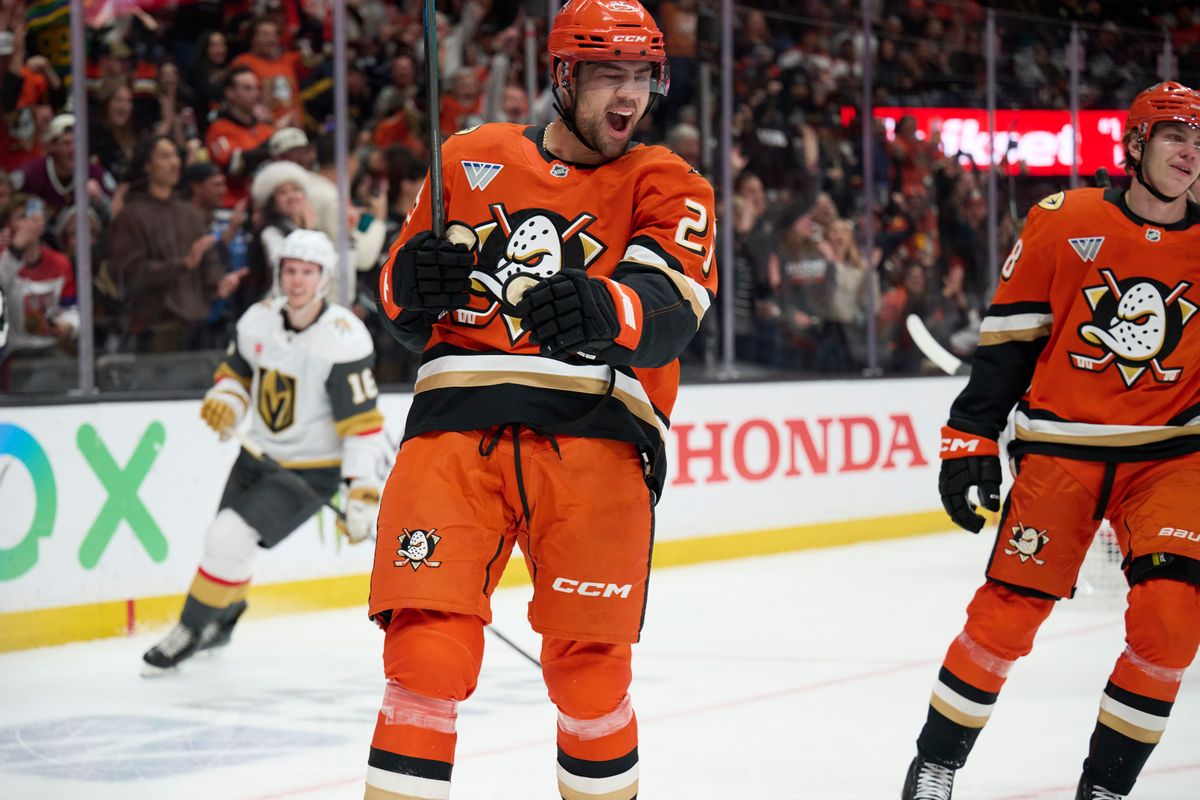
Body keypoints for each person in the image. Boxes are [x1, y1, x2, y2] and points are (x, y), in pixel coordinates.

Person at [366, 2, 716, 798]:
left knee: (590, 681)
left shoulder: (668, 182)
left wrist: (607, 309)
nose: (627, 96)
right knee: (424, 658)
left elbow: (672, 310)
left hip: (596, 443)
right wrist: (406, 282)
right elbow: (398, 300)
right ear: (563, 76)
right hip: (454, 435)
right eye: (607, 75)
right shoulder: (468, 156)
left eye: (640, 76)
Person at [902, 81, 1200, 800]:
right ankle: (935, 766)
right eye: (1174, 137)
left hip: (1169, 458)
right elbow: (1008, 341)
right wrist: (968, 436)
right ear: (1134, 144)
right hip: (1061, 451)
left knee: (1171, 623)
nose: (1190, 153)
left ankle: (1104, 788)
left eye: (1199, 140)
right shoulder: (1065, 220)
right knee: (1003, 620)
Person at [141, 229, 388, 675]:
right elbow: (235, 376)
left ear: (325, 278)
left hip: (311, 472)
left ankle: (190, 630)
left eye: (307, 272)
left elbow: (363, 426)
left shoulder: (343, 338)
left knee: (226, 539)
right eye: (290, 270)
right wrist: (227, 401)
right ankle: (226, 618)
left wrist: (362, 489)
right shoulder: (259, 320)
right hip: (256, 456)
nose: (296, 281)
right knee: (227, 543)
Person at [106, 134, 223, 353]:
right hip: (154, 331)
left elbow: (210, 261)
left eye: (176, 156)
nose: (174, 162)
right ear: (147, 166)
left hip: (199, 327)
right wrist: (182, 265)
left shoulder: (191, 214)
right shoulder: (131, 216)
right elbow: (131, 273)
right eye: (165, 156)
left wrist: (219, 285)